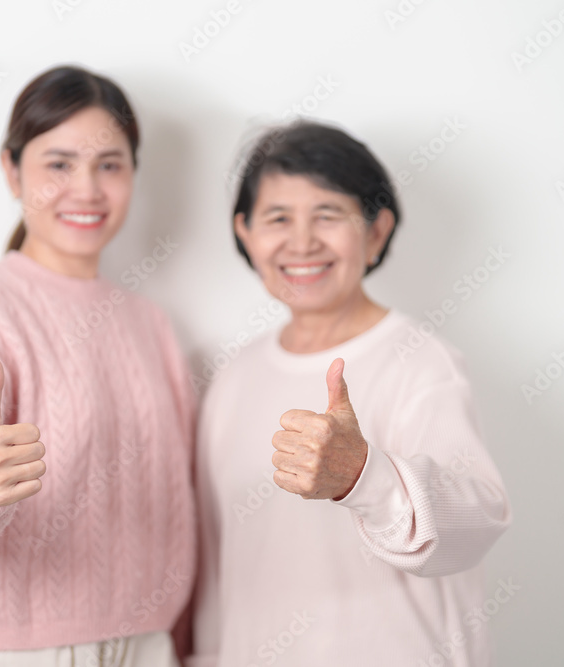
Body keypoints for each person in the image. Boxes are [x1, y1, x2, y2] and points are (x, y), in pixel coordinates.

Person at [0, 65, 196, 667]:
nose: (87, 189)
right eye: (59, 164)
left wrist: (182, 643)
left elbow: (180, 503)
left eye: (110, 164)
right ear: (12, 170)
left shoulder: (152, 325)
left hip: (150, 644)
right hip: (24, 650)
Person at [187, 121, 511, 666]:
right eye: (278, 218)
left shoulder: (422, 362)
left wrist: (363, 474)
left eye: (328, 214)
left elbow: (478, 521)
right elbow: (217, 562)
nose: (302, 242)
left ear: (376, 231)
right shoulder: (232, 377)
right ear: (245, 232)